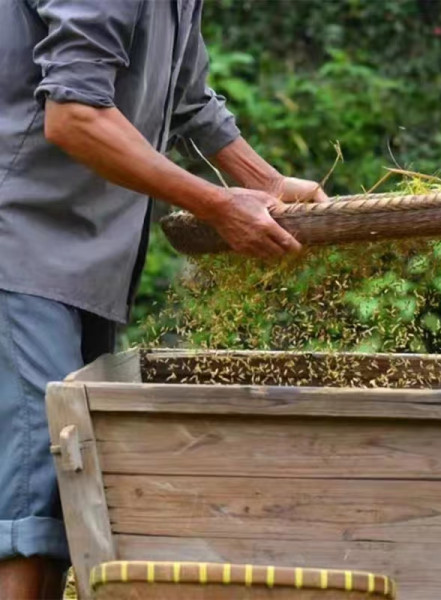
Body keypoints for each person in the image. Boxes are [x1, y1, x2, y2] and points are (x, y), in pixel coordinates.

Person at [0, 1, 327, 598]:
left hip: (84, 263)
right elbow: (74, 115)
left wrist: (266, 182)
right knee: (30, 515)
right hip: (20, 247)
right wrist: (218, 205)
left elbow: (189, 100)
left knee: (63, 504)